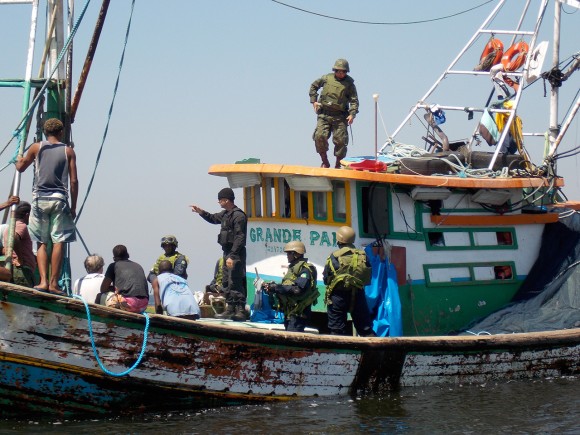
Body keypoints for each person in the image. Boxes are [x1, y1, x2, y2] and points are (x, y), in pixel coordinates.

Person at [15, 117, 78, 295]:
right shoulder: (68, 151)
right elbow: (73, 181)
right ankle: (54, 284)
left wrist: (18, 158)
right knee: (58, 241)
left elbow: (21, 167)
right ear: (61, 132)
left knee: (41, 241)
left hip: (40, 199)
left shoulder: (36, 147)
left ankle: (42, 282)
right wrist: (73, 206)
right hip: (59, 198)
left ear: (45, 132)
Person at [190, 187, 247, 321]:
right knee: (226, 281)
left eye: (220, 200)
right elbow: (213, 218)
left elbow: (240, 237)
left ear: (226, 200)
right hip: (227, 252)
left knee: (236, 281)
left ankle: (240, 310)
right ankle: (231, 308)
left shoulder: (239, 216)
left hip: (235, 253)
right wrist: (200, 212)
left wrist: (233, 256)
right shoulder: (226, 214)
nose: (219, 202)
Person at [323, 226, 375, 337]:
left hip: (338, 297)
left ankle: (339, 353)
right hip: (358, 295)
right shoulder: (362, 255)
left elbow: (326, 279)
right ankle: (377, 352)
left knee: (336, 331)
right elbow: (368, 275)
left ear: (339, 240)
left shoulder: (334, 257)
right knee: (366, 330)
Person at [309, 59, 359, 169]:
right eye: (338, 71)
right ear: (334, 70)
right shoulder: (326, 78)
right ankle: (325, 161)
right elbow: (313, 86)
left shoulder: (349, 84)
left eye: (343, 72)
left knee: (341, 140)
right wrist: (314, 101)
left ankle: (338, 164)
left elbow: (354, 101)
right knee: (319, 136)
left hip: (340, 116)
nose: (341, 74)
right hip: (324, 114)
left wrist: (352, 114)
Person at [262, 241, 319, 332]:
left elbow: (297, 290)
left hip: (298, 314)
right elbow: (288, 286)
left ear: (296, 254)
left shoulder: (305, 270)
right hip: (290, 313)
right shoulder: (293, 269)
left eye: (289, 253)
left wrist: (276, 287)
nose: (287, 256)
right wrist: (272, 287)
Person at [100, 245, 149, 313]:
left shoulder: (113, 266)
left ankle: (98, 322)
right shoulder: (138, 265)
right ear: (128, 255)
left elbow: (103, 289)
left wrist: (112, 288)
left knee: (100, 295)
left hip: (127, 304)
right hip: (144, 305)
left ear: (114, 258)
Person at [2, 202, 36, 288]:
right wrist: (20, 258)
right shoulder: (21, 225)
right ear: (27, 215)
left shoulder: (9, 227)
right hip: (21, 270)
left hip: (17, 268)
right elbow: (14, 237)